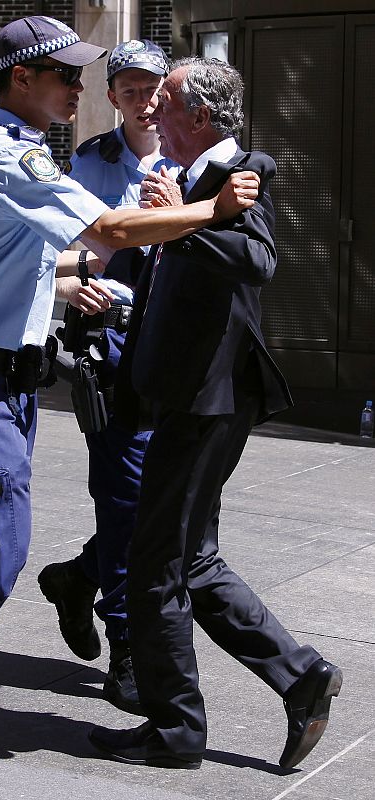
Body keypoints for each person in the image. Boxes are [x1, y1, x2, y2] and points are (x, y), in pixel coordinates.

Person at [0, 17, 259, 771]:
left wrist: (68, 285)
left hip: (0, 378)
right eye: (66, 76)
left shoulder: (22, 153)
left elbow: (20, 262)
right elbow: (113, 226)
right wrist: (211, 211)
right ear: (22, 78)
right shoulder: (8, 156)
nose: (80, 89)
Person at [89, 57, 343, 770]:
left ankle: (175, 729)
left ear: (199, 116)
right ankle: (300, 676)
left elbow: (257, 259)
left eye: (164, 102)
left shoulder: (242, 172)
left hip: (210, 399)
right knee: (190, 560)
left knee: (155, 563)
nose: (151, 113)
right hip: (181, 393)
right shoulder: (186, 180)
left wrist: (178, 221)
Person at [37, 39, 179, 717]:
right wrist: (75, 285)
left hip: (178, 348)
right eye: (129, 90)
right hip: (113, 343)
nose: (144, 102)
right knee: (124, 497)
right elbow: (64, 246)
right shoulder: (92, 160)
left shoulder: (195, 155)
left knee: (164, 501)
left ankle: (77, 577)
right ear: (113, 97)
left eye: (153, 89)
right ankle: (126, 642)